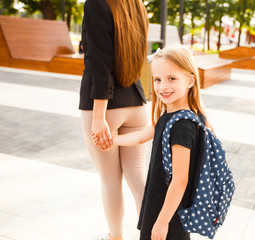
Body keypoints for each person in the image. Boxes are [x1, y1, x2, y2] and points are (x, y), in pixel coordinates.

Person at [92, 44, 211, 240]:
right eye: (157, 79)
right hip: (159, 205)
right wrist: (112, 140)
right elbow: (141, 135)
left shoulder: (183, 125)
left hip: (168, 214)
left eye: (172, 78)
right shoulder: (169, 115)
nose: (163, 86)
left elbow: (180, 180)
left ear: (190, 80)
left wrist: (162, 222)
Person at [79, 0, 149, 239]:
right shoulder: (135, 4)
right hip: (136, 103)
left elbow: (100, 62)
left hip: (105, 109)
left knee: (111, 181)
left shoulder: (96, 3)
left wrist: (98, 117)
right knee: (139, 180)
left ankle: (115, 237)